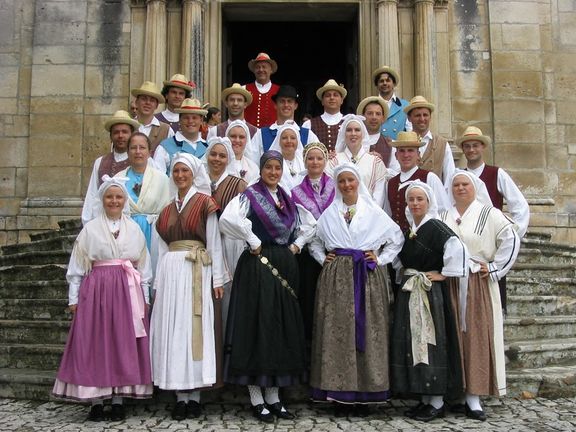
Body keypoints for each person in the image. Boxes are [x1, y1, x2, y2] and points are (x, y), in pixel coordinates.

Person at [219, 150, 310, 423]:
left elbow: (309, 224)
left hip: (285, 264)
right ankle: (256, 399)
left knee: (278, 329)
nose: (273, 172)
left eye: (276, 167)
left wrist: (299, 244)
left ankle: (274, 397)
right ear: (261, 169)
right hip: (257, 266)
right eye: (268, 167)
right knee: (257, 327)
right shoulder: (249, 195)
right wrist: (252, 239)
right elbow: (228, 219)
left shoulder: (287, 197)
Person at [52, 176, 153, 421]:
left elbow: (144, 265)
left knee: (121, 342)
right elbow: (76, 268)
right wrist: (73, 299)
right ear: (102, 200)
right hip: (96, 292)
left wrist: (146, 296)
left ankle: (118, 400)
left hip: (126, 291)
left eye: (119, 197)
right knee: (96, 343)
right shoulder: (91, 229)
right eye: (110, 197)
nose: (114, 201)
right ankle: (96, 401)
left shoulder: (134, 228)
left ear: (124, 199)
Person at [308, 163, 403, 415]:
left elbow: (396, 239)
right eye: (342, 181)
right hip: (336, 279)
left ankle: (367, 393)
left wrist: (380, 259)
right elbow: (314, 240)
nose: (347, 185)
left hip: (367, 277)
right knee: (337, 332)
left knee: (368, 331)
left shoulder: (373, 212)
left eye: (350, 180)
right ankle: (339, 394)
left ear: (358, 182)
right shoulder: (330, 213)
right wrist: (322, 258)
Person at [150, 153, 227, 421]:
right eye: (176, 171)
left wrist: (217, 279)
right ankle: (179, 395)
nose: (180, 175)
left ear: (193, 174)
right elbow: (160, 249)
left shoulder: (206, 204)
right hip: (171, 274)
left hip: (197, 271)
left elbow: (214, 242)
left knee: (196, 330)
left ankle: (194, 396)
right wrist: (158, 283)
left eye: (185, 171)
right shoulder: (166, 209)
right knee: (174, 329)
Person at [440, 170, 520, 421]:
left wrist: (495, 267)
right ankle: (453, 392)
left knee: (474, 336)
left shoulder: (489, 213)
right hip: (449, 283)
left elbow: (511, 238)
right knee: (452, 337)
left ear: (474, 187)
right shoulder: (443, 215)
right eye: (456, 185)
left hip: (476, 282)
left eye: (465, 184)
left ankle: (473, 397)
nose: (460, 188)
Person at [390, 181, 468, 422]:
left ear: (429, 202)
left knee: (430, 341)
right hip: (411, 290)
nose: (414, 203)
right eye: (411, 199)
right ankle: (424, 399)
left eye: (419, 199)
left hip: (429, 293)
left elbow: (456, 247)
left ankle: (436, 401)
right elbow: (398, 260)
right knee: (414, 342)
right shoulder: (409, 230)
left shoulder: (435, 227)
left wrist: (445, 273)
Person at [457, 125, 530, 314]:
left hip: (490, 243)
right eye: (467, 146)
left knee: (494, 298)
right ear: (463, 149)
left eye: (475, 145)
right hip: (467, 244)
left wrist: (511, 233)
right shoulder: (458, 177)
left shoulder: (496, 174)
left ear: (482, 147)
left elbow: (520, 205)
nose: (471, 150)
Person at [291, 142, 335, 345]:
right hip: (307, 254)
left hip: (332, 250)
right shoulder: (295, 191)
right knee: (308, 299)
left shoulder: (336, 186)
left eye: (319, 158)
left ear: (325, 161)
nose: (315, 162)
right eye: (310, 158)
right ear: (305, 161)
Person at [203, 136, 248, 330]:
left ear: (228, 159)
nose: (217, 159)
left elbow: (243, 217)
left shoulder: (237, 184)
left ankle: (227, 339)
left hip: (229, 243)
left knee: (228, 289)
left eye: (222, 155)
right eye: (213, 154)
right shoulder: (199, 182)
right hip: (204, 241)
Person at [81, 110, 140, 225]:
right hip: (105, 223)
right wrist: (88, 224)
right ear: (111, 136)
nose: (120, 136)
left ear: (132, 135)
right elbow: (92, 194)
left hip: (134, 223)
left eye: (124, 132)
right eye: (116, 132)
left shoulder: (142, 161)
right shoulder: (100, 162)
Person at [384, 131, 449, 233]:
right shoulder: (390, 183)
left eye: (410, 150)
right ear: (396, 155)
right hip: (396, 242)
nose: (406, 155)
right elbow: (388, 214)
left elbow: (444, 211)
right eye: (402, 151)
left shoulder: (430, 178)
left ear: (418, 154)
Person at [115, 132, 169, 251]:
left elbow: (169, 211)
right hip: (125, 233)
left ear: (149, 152)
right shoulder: (118, 179)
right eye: (133, 148)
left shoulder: (162, 179)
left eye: (142, 148)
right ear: (127, 152)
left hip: (154, 233)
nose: (138, 151)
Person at [247, 85, 319, 163]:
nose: (286, 105)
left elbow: (318, 161)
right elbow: (252, 164)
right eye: (282, 101)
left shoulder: (308, 135)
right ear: (275, 105)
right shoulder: (261, 134)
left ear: (295, 106)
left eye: (289, 101)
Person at [328, 114, 387, 207]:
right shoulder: (333, 161)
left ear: (363, 134)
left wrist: (367, 214)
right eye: (349, 130)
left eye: (357, 130)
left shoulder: (376, 162)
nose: (353, 133)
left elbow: (379, 195)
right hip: (340, 215)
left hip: (370, 215)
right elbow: (331, 192)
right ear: (343, 134)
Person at [403, 96, 455, 188]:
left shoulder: (442, 144)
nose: (422, 119)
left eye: (425, 115)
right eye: (417, 115)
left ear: (430, 117)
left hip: (435, 199)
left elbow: (449, 177)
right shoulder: (402, 143)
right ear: (409, 118)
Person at [154, 98, 208, 174]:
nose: (190, 121)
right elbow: (158, 178)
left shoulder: (208, 148)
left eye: (194, 118)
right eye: (186, 118)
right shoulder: (165, 147)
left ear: (201, 121)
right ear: (179, 120)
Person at [302, 79, 347, 152]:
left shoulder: (349, 122)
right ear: (322, 101)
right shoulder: (308, 125)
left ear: (341, 100)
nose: (332, 98)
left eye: (335, 95)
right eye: (328, 95)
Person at [131, 81, 174, 154]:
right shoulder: (128, 127)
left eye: (152, 100)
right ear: (136, 102)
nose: (148, 103)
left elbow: (172, 157)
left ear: (156, 105)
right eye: (144, 99)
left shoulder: (167, 130)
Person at [356, 96, 396, 171]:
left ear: (383, 118)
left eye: (378, 114)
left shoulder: (391, 145)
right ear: (362, 117)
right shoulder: (353, 142)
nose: (374, 117)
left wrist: (380, 166)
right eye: (370, 113)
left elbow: (395, 173)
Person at [372, 65, 411, 139]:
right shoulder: (371, 105)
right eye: (381, 81)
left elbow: (410, 131)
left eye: (388, 80)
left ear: (394, 84)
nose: (385, 83)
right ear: (377, 85)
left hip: (398, 149)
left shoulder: (405, 106)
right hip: (376, 148)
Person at [244, 52, 280, 128]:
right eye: (258, 67)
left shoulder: (280, 91)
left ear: (271, 70)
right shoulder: (243, 89)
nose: (261, 70)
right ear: (254, 70)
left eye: (264, 67)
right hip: (250, 136)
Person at [269, 122, 306, 190]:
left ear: (298, 141)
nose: (289, 141)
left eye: (292, 138)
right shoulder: (272, 161)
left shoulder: (304, 161)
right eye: (284, 138)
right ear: (279, 141)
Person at [225, 120, 260, 184]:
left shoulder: (253, 168)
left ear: (247, 140)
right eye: (233, 136)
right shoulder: (219, 162)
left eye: (241, 137)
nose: (237, 140)